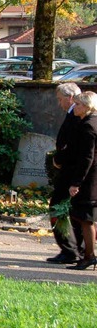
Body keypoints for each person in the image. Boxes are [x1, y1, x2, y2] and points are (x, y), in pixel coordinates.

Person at [47, 83, 84, 264]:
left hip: (70, 170)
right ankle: (76, 248)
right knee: (73, 211)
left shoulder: (78, 116)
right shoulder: (74, 114)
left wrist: (58, 159)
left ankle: (70, 249)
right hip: (71, 170)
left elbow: (73, 145)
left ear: (70, 98)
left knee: (57, 207)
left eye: (60, 99)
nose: (59, 103)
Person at [66, 91, 97, 271]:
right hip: (91, 176)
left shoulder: (88, 126)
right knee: (85, 217)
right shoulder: (91, 122)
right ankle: (88, 254)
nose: (75, 107)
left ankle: (89, 255)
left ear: (86, 107)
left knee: (86, 219)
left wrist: (76, 182)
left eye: (77, 104)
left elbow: (87, 157)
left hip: (88, 178)